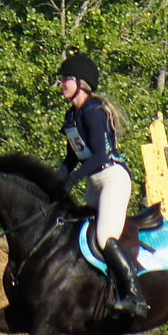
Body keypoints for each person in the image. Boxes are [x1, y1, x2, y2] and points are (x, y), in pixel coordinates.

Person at [55, 52, 148, 319]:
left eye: (66, 79)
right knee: (76, 232)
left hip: (112, 179)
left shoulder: (94, 112)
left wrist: (72, 180)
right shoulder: (72, 116)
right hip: (95, 182)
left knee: (104, 236)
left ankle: (135, 297)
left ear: (81, 83)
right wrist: (56, 181)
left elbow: (99, 156)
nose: (62, 84)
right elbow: (71, 158)